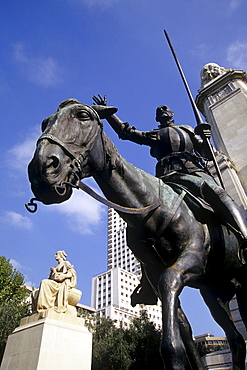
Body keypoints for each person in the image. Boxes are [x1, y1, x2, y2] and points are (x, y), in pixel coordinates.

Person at [92, 95, 247, 261]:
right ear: (157, 118)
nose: (162, 111)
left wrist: (205, 138)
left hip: (193, 172)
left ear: (172, 113)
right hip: (166, 179)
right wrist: (109, 114)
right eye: (159, 111)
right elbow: (126, 132)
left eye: (165, 109)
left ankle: (244, 238)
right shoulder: (155, 135)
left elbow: (207, 154)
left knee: (219, 193)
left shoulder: (187, 130)